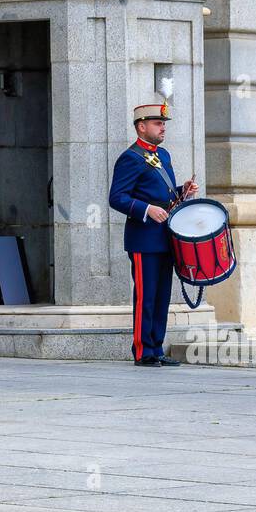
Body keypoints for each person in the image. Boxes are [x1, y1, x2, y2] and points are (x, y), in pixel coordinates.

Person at [108, 87, 198, 367]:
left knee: (160, 298)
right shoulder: (130, 158)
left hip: (165, 238)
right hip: (143, 239)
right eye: (158, 124)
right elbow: (117, 198)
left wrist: (183, 191)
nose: (163, 129)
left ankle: (156, 348)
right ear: (141, 126)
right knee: (145, 296)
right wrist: (146, 209)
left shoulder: (165, 156)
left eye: (163, 124)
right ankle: (142, 351)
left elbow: (164, 196)